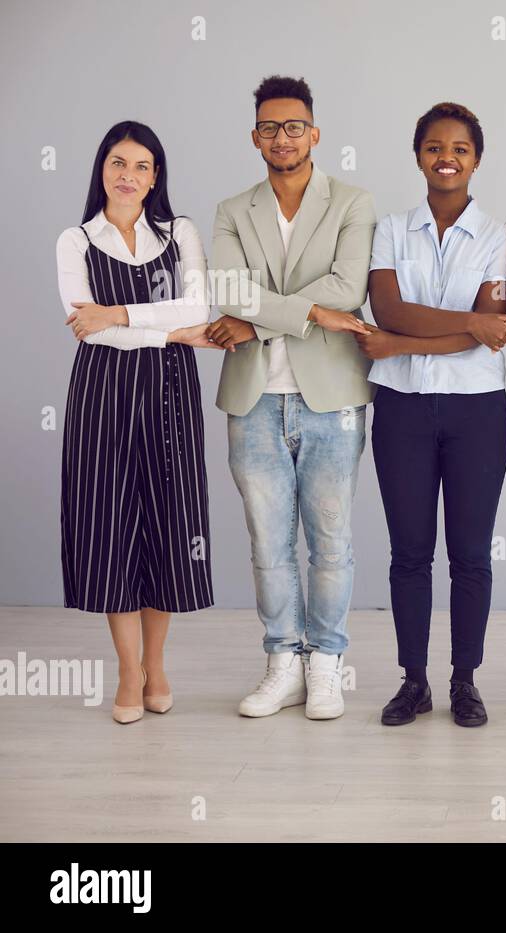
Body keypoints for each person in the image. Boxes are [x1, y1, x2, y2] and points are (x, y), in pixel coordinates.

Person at [207, 75, 377, 721]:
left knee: (330, 540)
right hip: (253, 399)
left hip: (331, 397)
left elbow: (347, 287)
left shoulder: (351, 202)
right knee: (267, 542)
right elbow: (228, 289)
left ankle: (327, 664)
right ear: (256, 137)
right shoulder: (232, 210)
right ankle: (284, 662)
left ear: (315, 132)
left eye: (295, 126)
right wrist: (302, 312)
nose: (284, 137)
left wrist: (258, 319)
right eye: (271, 127)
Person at [57, 121, 220, 723]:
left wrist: (120, 315)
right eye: (118, 163)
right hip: (101, 395)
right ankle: (128, 670)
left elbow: (198, 307)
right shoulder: (74, 241)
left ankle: (158, 663)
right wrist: (174, 333)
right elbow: (84, 325)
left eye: (142, 166)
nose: (129, 175)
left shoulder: (180, 233)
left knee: (168, 527)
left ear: (157, 177)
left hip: (169, 396)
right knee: (110, 529)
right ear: (102, 167)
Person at [360, 103, 506, 728]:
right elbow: (389, 308)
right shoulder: (392, 229)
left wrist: (401, 344)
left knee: (472, 553)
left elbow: (488, 333)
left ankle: (465, 680)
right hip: (401, 408)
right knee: (409, 553)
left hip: (477, 410)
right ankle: (414, 680)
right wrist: (467, 323)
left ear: (476, 159)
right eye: (433, 146)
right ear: (418, 154)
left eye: (459, 148)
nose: (445, 156)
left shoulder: (499, 234)